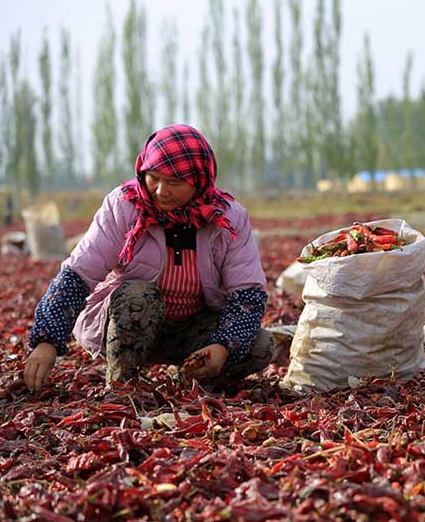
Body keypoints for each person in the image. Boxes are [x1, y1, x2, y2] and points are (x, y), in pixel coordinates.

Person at [22, 124, 273, 392]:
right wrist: (47, 340)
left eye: (175, 182)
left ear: (199, 181)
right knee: (138, 295)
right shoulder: (125, 206)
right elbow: (77, 274)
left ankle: (189, 379)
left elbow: (247, 295)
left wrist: (224, 346)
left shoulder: (227, 219)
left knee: (260, 345)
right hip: (130, 325)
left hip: (192, 328)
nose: (161, 190)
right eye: (153, 177)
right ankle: (121, 385)